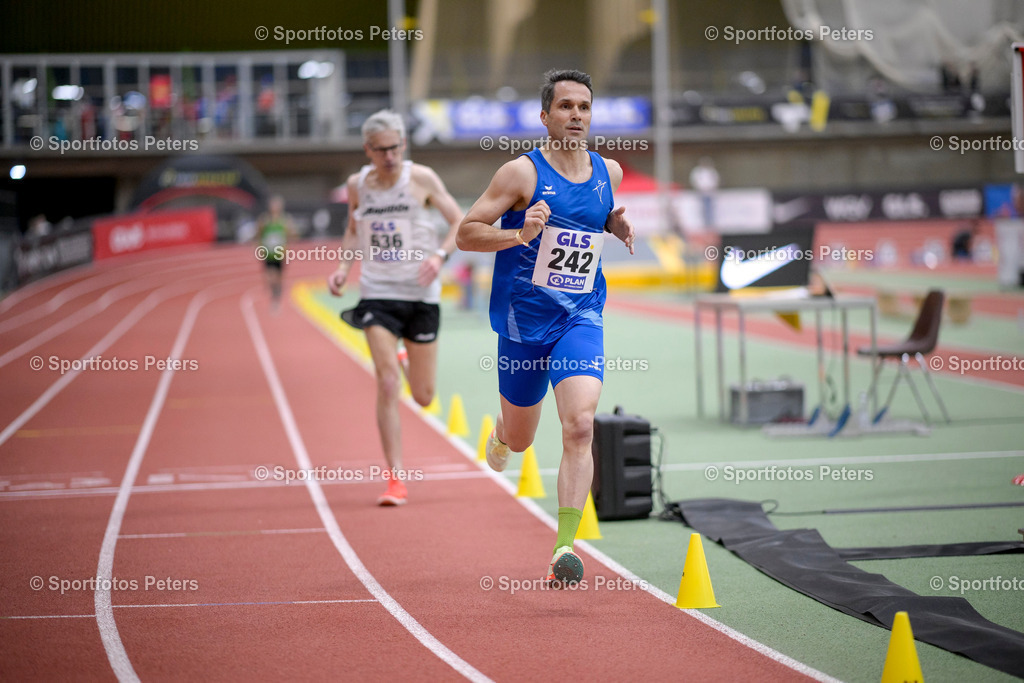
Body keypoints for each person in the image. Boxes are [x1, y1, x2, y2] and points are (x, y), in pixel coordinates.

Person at [456, 69, 635, 585]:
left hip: (580, 315)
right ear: (545, 116)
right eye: (565, 106)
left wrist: (612, 223)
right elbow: (466, 233)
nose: (576, 115)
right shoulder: (520, 174)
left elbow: (591, 218)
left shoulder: (609, 172)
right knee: (521, 439)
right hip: (524, 323)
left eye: (584, 107)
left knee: (579, 424)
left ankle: (563, 548)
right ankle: (502, 430)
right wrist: (518, 235)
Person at [327, 109, 462, 506]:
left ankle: (405, 355)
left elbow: (459, 222)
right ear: (367, 150)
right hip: (378, 293)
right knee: (387, 383)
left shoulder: (421, 178)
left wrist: (439, 256)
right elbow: (353, 229)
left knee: (423, 396)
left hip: (421, 295)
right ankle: (396, 479)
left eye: (395, 148)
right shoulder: (358, 185)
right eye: (381, 150)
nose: (389, 156)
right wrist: (343, 268)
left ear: (404, 145)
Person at [256, 195, 295, 311]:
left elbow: (290, 235)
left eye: (277, 205)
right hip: (268, 253)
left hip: (279, 253)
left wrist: (287, 248)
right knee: (270, 277)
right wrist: (259, 247)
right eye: (273, 205)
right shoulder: (264, 220)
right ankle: (274, 294)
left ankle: (276, 299)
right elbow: (259, 234)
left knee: (278, 277)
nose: (275, 207)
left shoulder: (285, 220)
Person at [689, 157, 719, 230]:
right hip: (701, 192)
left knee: (710, 208)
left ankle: (709, 223)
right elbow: (695, 180)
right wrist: (700, 188)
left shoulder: (711, 171)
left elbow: (716, 180)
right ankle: (703, 223)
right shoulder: (698, 171)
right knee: (701, 208)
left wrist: (711, 188)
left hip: (710, 192)